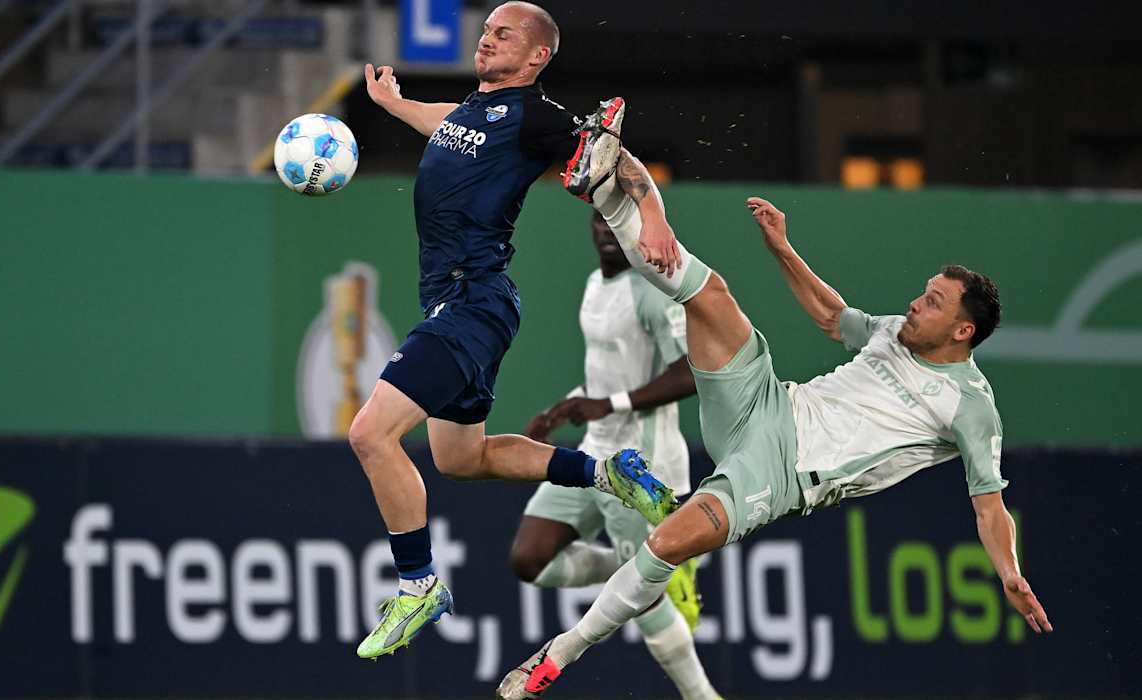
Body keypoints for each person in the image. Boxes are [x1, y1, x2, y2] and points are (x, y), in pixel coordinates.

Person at [497, 115, 1053, 696]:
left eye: (933, 302)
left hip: (783, 471)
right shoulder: (897, 331)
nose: (916, 303)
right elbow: (833, 318)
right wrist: (782, 249)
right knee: (708, 293)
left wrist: (1009, 573)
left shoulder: (971, 405)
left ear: (962, 332)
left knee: (664, 545)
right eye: (923, 292)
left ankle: (557, 656)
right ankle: (608, 182)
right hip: (765, 400)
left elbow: (990, 508)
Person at [351, 2, 678, 659]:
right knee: (460, 459)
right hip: (458, 302)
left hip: (472, 301)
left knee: (370, 434)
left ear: (536, 56)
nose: (486, 39)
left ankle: (418, 586)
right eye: (486, 30)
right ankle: (608, 473)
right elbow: (445, 125)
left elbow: (623, 162)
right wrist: (395, 104)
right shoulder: (475, 111)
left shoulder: (536, 116)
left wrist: (654, 218)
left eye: (503, 34)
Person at [510, 211, 720, 700]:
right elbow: (606, 377)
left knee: (641, 601)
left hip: (641, 467)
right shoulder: (594, 285)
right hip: (593, 455)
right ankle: (653, 569)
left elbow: (692, 371)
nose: (608, 230)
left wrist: (611, 404)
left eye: (616, 222)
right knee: (530, 558)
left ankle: (703, 696)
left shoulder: (653, 292)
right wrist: (562, 409)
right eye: (600, 221)